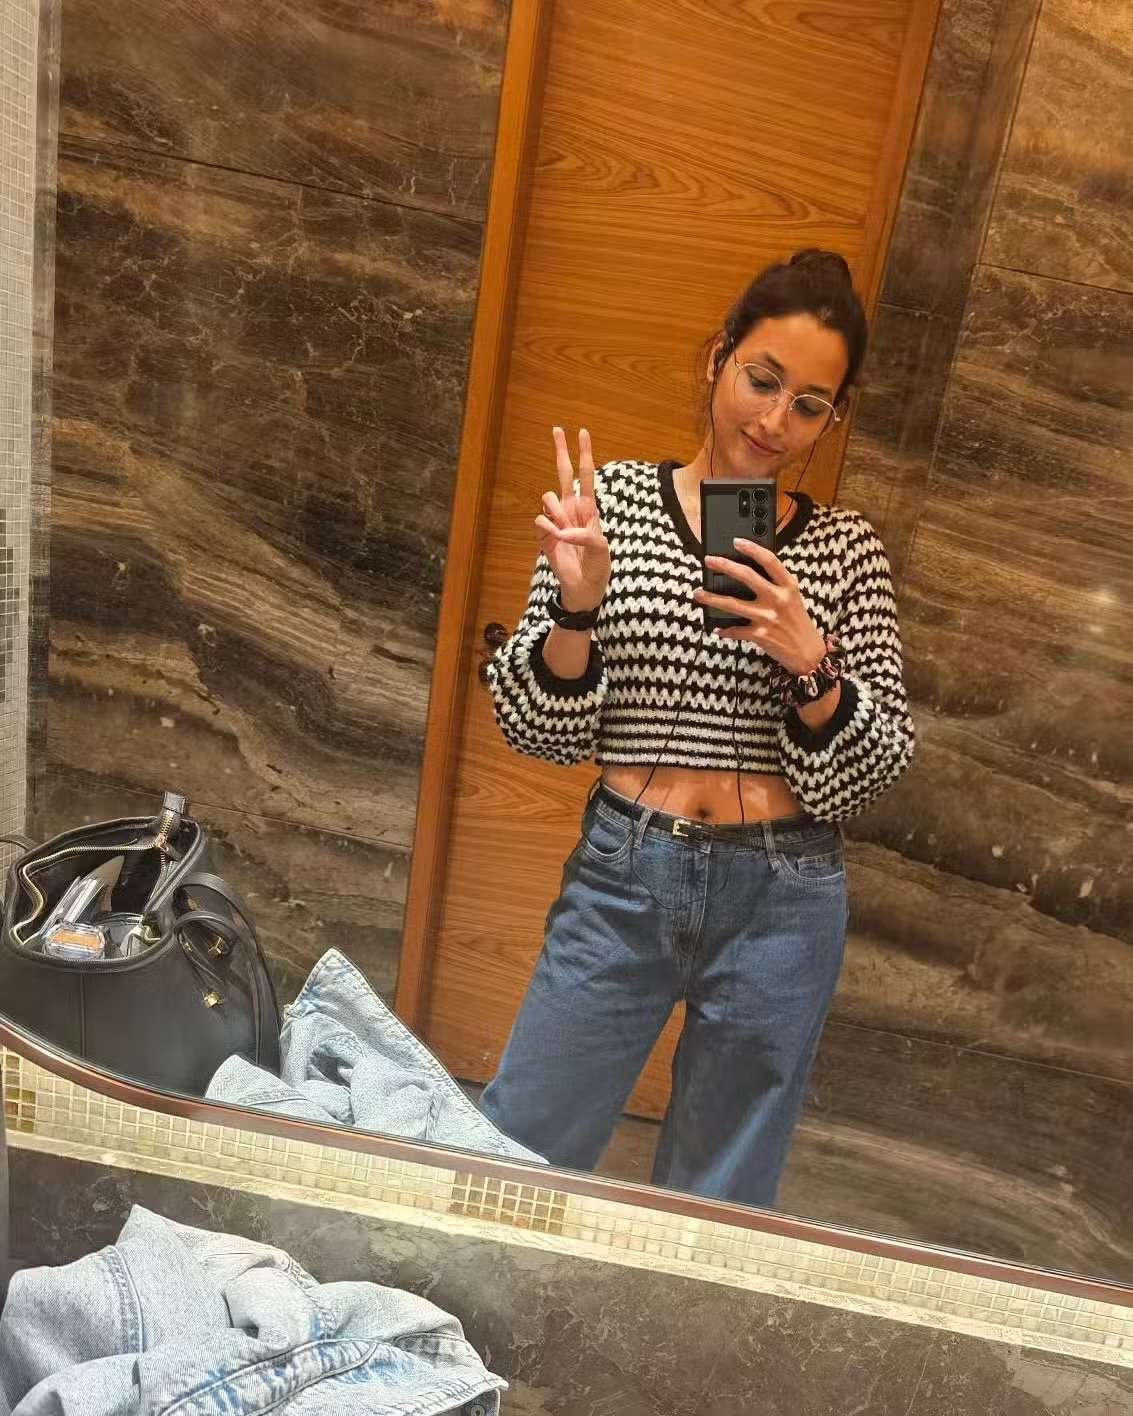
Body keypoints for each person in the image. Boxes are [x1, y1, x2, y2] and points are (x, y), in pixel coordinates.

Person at [480, 249, 915, 1208]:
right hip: (624, 873)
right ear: (719, 357)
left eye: (809, 404)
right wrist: (577, 609)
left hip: (783, 894)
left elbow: (871, 773)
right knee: (522, 1148)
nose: (774, 420)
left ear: (831, 417)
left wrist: (810, 662)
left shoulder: (847, 550)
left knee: (722, 1193)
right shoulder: (609, 509)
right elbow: (538, 730)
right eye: (762, 379)